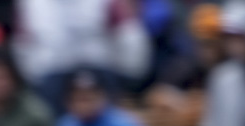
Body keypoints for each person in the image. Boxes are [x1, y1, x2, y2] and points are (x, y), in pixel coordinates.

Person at [15, 0, 154, 105]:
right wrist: (34, 79)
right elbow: (22, 43)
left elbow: (126, 33)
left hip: (99, 70)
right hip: (51, 75)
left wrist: (130, 76)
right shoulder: (29, 3)